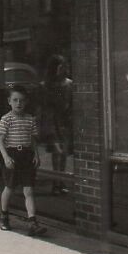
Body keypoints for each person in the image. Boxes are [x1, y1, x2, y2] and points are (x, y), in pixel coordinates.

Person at [0, 86, 47, 237]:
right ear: (9, 102)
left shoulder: (30, 119)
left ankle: (32, 222)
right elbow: (0, 141)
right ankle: (4, 217)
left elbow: (32, 140)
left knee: (29, 190)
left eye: (22, 100)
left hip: (26, 156)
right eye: (15, 100)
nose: (19, 103)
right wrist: (6, 157)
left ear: (26, 102)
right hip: (11, 155)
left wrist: (36, 155)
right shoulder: (6, 119)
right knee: (9, 187)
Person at [42, 54, 73, 189]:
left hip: (65, 121)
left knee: (63, 153)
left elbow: (70, 104)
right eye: (60, 67)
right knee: (57, 152)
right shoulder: (46, 86)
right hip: (53, 122)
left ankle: (60, 181)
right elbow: (44, 105)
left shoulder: (69, 84)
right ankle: (56, 182)